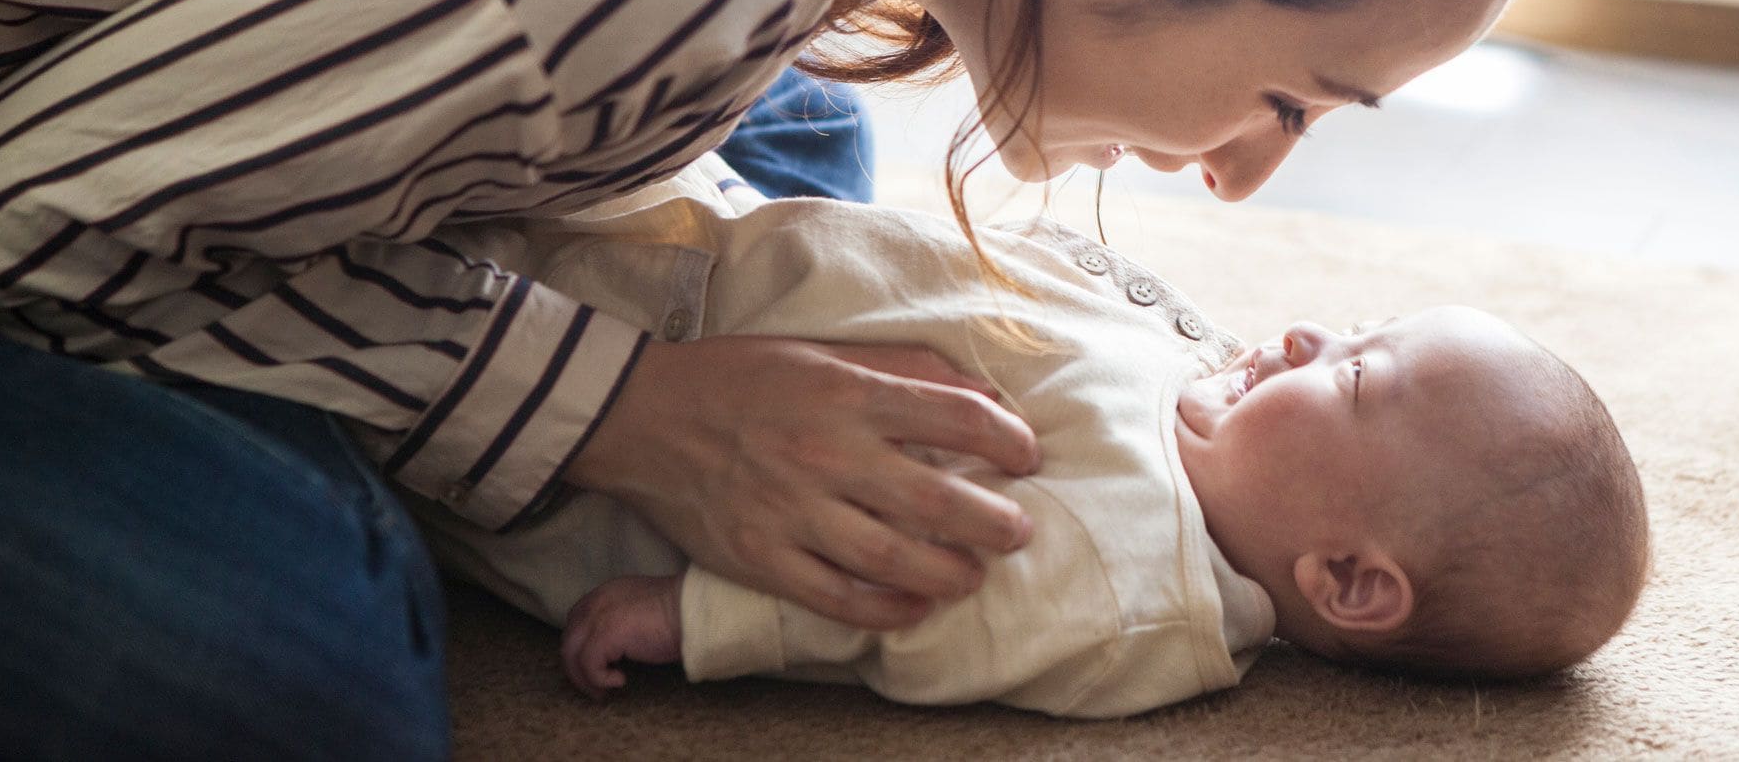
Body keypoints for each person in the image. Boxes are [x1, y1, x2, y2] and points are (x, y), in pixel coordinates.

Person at [0, 0, 1602, 753]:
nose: (1243, 178)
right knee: (298, 680)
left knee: (804, 135)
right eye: (1290, 97)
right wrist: (618, 410)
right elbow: (40, 211)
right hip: (49, 150)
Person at [413, 172, 1650, 716]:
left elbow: (924, 603)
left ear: (1347, 580)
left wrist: (697, 619)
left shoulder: (1134, 586)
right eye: (1362, 325)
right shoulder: (1218, 425)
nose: (1312, 329)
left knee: (404, 307)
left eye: (1358, 373)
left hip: (613, 395)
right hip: (709, 244)